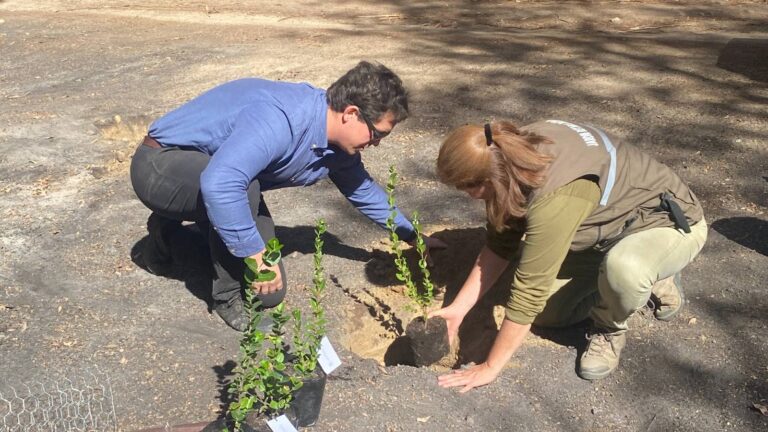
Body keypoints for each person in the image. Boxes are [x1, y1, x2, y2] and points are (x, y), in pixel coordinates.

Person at [130, 61, 445, 331]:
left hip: (214, 177)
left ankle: (178, 231)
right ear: (351, 113)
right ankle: (223, 294)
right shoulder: (282, 120)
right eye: (377, 134)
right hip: (160, 165)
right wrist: (253, 254)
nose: (376, 144)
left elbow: (362, 190)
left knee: (268, 295)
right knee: (241, 195)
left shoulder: (335, 144)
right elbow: (222, 183)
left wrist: (411, 234)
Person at [431, 120, 707, 391]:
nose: (466, 196)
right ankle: (627, 278)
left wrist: (490, 367)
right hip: (605, 230)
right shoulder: (506, 152)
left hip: (667, 224)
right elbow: (500, 245)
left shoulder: (555, 195)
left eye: (466, 188)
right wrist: (458, 309)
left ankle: (616, 320)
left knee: (625, 269)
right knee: (549, 316)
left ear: (491, 178)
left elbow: (530, 291)